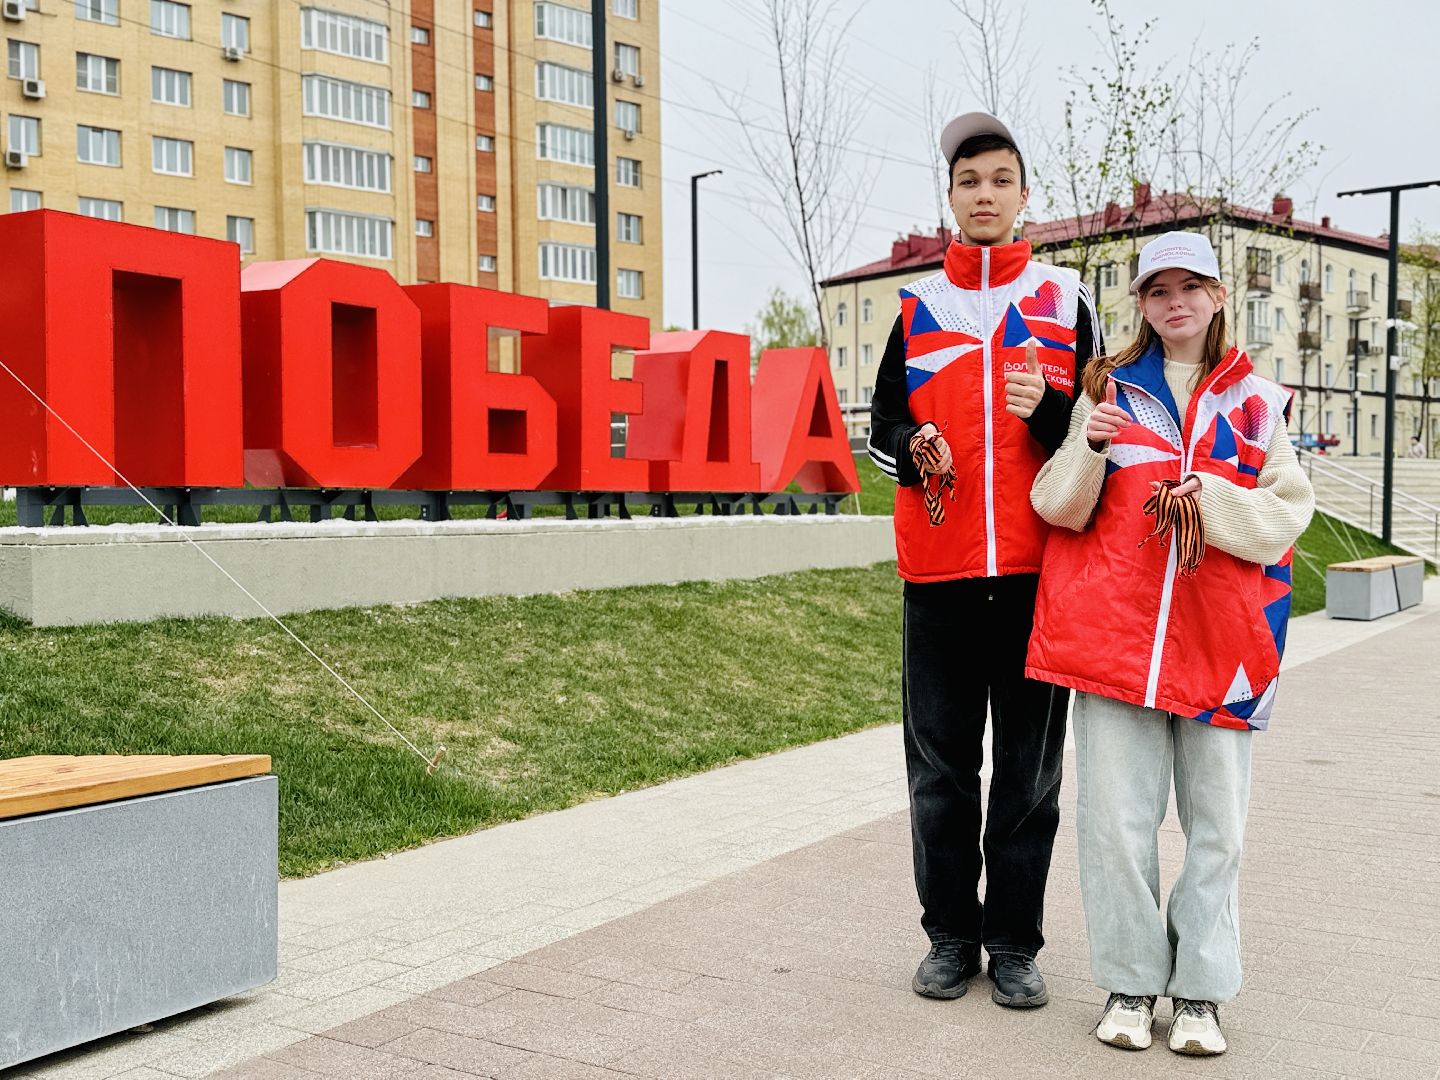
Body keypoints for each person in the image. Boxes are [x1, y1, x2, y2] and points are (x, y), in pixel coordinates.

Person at [1027, 231, 1315, 1055]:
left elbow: (1287, 517)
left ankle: (1199, 994)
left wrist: (1212, 499)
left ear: (1219, 296)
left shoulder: (1260, 402)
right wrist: (1090, 447)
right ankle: (1128, 982)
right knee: (1115, 824)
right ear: (1142, 304)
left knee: (1216, 828)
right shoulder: (1109, 391)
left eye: (1192, 286)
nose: (1176, 301)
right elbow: (1057, 506)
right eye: (1159, 289)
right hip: (1113, 642)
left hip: (1224, 647)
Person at [867, 111, 1102, 1008]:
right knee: (938, 773)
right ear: (951, 198)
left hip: (1041, 579)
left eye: (1001, 179)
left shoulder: (1064, 300)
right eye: (970, 182)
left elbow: (1090, 440)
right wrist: (914, 438)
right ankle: (948, 937)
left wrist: (1046, 410)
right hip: (938, 578)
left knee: (1030, 780)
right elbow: (881, 428)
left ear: (1024, 193)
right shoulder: (919, 307)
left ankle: (1012, 942)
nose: (986, 195)